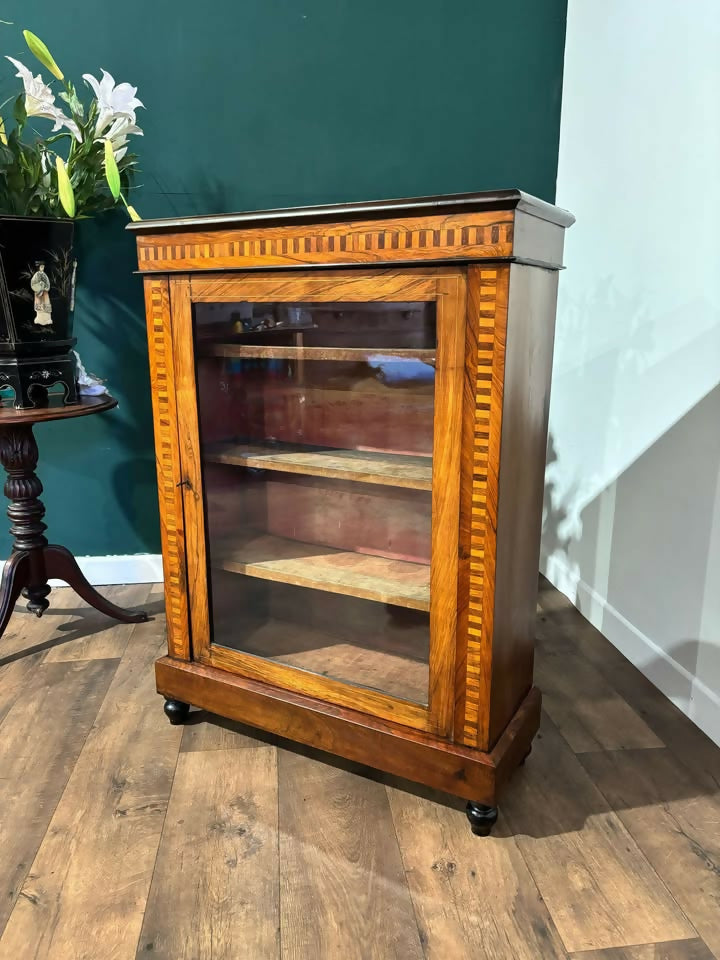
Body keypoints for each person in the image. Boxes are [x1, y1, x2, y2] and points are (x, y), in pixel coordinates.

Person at [30, 261, 52, 326]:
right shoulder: (36, 275)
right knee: (39, 305)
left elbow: (48, 283)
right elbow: (33, 284)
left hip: (45, 293)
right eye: (41, 267)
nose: (42, 268)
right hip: (38, 292)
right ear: (38, 267)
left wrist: (45, 287)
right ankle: (39, 318)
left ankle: (47, 319)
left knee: (46, 304)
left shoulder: (45, 275)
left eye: (43, 267)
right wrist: (39, 286)